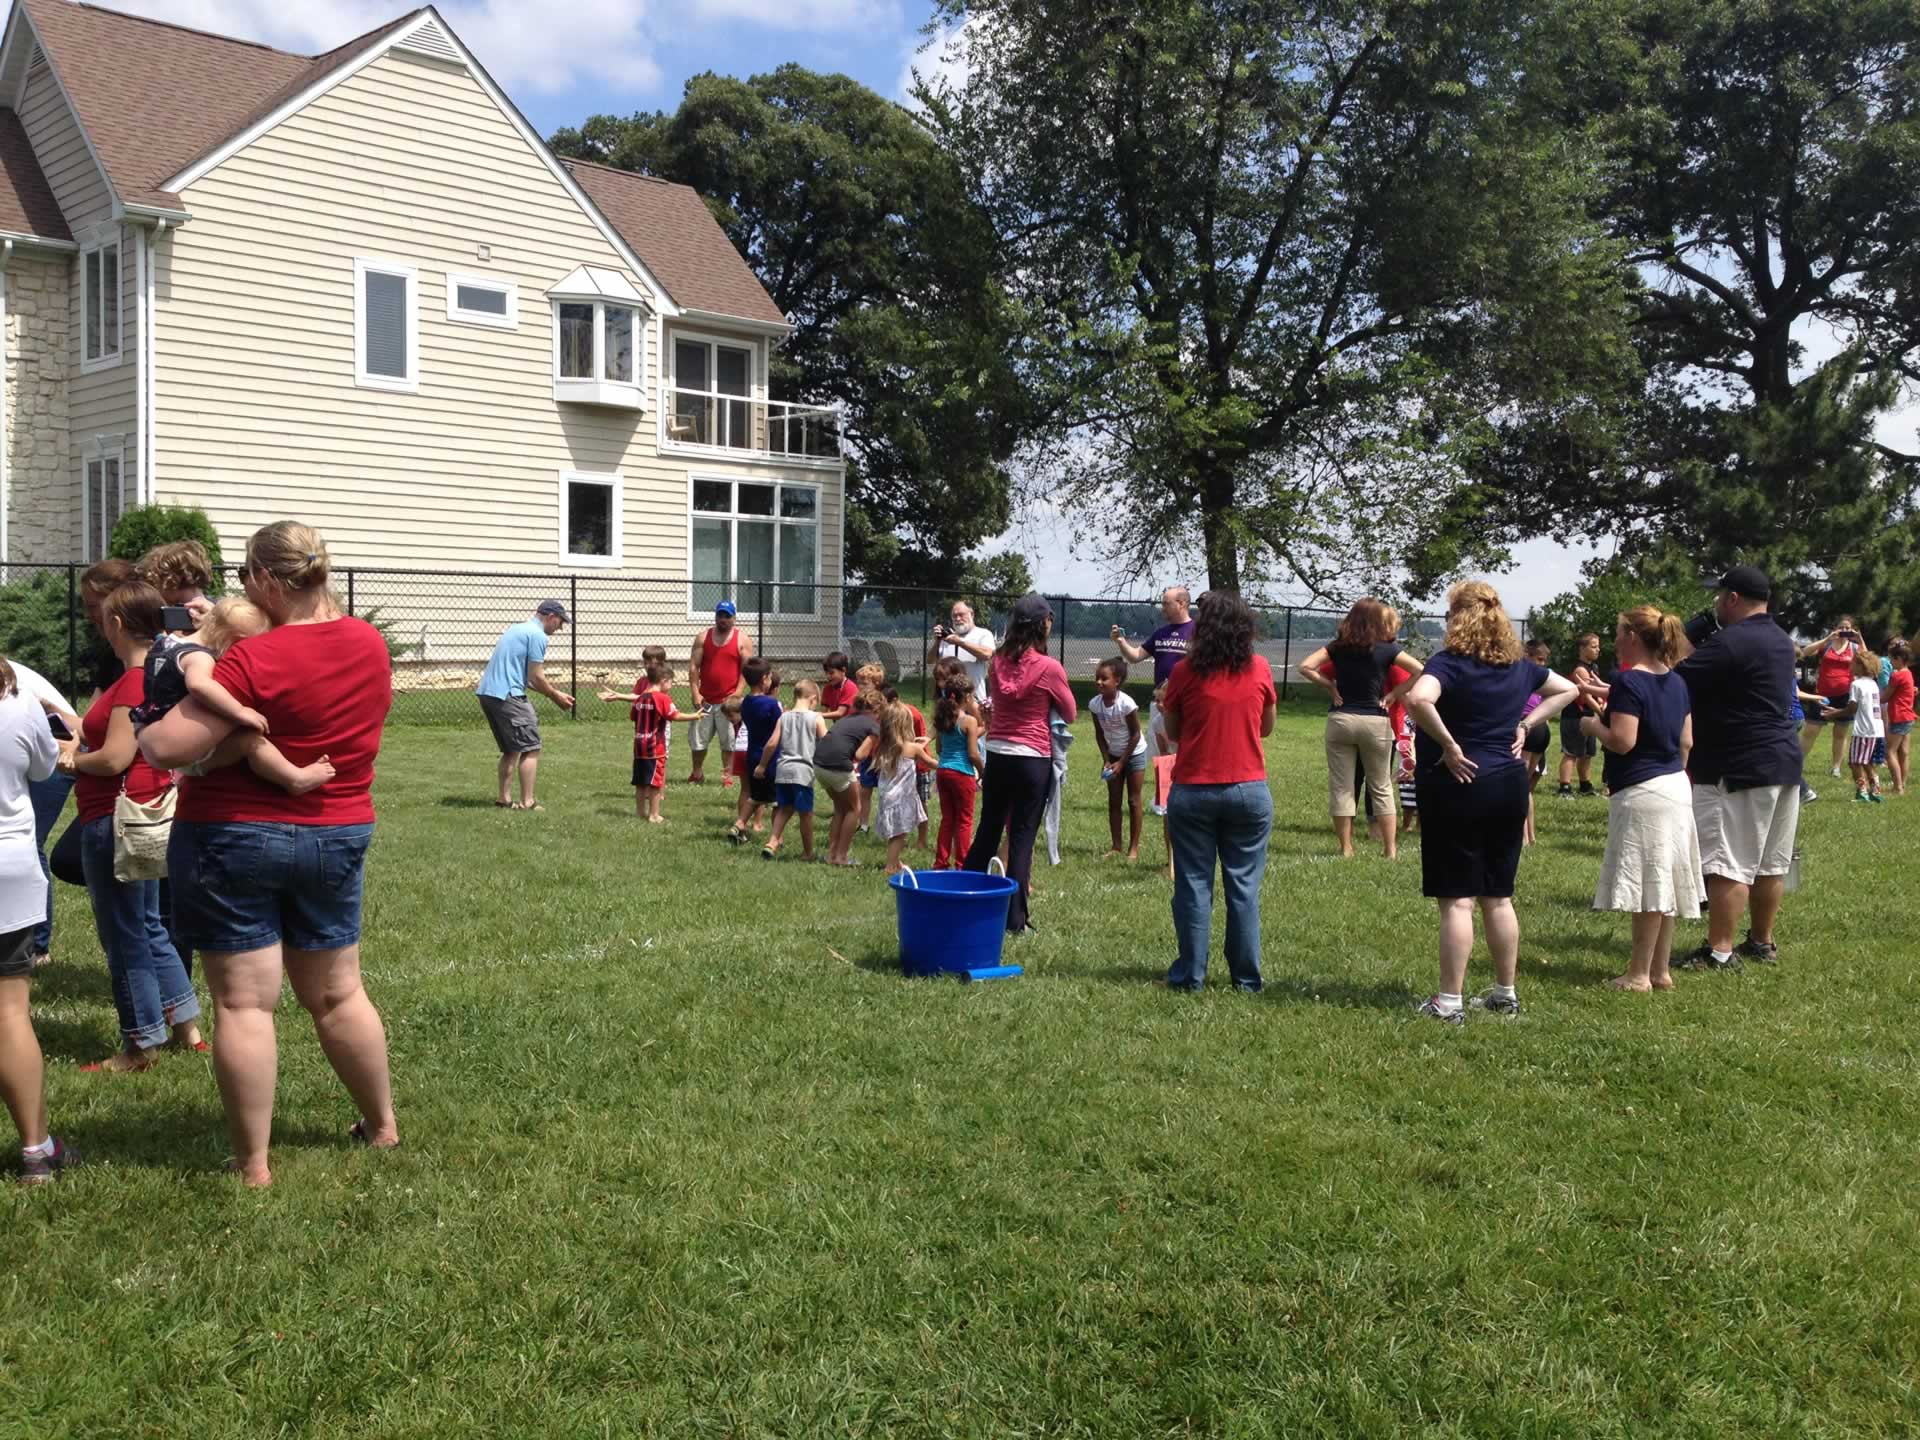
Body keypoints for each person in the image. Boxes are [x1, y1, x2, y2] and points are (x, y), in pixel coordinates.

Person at [140, 521, 398, 1187]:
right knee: (339, 993)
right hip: (337, 829)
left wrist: (197, 652)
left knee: (244, 1005)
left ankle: (253, 1165)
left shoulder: (251, 661)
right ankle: (382, 1126)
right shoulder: (370, 646)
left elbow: (164, 747)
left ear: (260, 578)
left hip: (234, 835)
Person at [1402, 581, 1579, 1023]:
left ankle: (1449, 1002)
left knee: (1458, 898)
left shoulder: (1450, 664)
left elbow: (1418, 699)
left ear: (1458, 619)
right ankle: (1505, 993)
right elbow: (1569, 690)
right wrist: (1527, 722)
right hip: (1507, 783)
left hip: (1459, 783)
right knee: (1498, 895)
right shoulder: (1519, 666)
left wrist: (1446, 744)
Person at [57, 580, 206, 1070]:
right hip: (145, 813)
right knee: (148, 925)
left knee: (124, 935)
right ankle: (187, 1027)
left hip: (115, 820)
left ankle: (141, 1045)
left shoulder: (132, 680)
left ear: (117, 624)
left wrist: (69, 758)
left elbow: (116, 757)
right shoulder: (160, 675)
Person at [1672, 565, 1805, 971]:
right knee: (1771, 863)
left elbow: (1677, 677)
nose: (1715, 604)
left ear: (1732, 598)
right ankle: (1762, 942)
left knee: (1730, 862)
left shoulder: (1732, 642)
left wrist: (1680, 636)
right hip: (1783, 761)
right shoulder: (1781, 640)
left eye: (1719, 597)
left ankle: (1719, 951)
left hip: (1739, 764)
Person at [1159, 590, 1276, 992]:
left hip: (1193, 789)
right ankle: (1246, 979)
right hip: (1248, 789)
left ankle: (1190, 975)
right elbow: (1266, 726)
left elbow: (1173, 733)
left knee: (1193, 884)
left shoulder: (1184, 671)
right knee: (1243, 888)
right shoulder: (1259, 668)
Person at [1585, 606, 1700, 992]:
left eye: (1618, 633)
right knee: (1664, 883)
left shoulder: (1627, 682)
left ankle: (1637, 975)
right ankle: (1660, 970)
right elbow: (1687, 742)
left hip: (1643, 791)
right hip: (1676, 786)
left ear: (1633, 637)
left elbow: (1622, 741)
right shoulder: (1678, 682)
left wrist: (1592, 726)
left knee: (1648, 887)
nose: (1614, 640)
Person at [132, 599, 337, 795]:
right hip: (184, 746)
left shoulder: (167, 642)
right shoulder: (199, 657)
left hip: (149, 720)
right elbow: (199, 685)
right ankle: (295, 778)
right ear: (233, 640)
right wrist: (240, 711)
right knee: (250, 742)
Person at [963, 595, 1077, 934]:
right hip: (1032, 759)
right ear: (1042, 624)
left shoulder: (997, 661)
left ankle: (961, 896)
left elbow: (998, 699)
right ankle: (1015, 921)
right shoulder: (1049, 667)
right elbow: (1070, 712)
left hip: (997, 753)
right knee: (1022, 838)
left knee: (987, 831)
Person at [0, 658, 73, 1182]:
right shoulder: (18, 699)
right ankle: (36, 1150)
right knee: (9, 1014)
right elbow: (47, 768)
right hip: (9, 871)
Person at [1296, 599, 1425, 860]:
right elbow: (1419, 669)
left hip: (1341, 720)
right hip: (1376, 720)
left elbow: (1305, 667)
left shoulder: (1337, 647)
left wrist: (1330, 687)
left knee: (1343, 787)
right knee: (1381, 786)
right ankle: (1389, 849)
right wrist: (1394, 695)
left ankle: (1346, 848)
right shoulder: (1387, 649)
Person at [5, 658, 81, 970]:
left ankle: (37, 947)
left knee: (30, 841)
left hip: (62, 746)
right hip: (33, 747)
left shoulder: (15, 681)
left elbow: (50, 751)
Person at [475, 600, 574, 810]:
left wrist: (554, 693)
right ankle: (528, 802)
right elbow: (536, 677)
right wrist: (555, 697)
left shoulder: (516, 629)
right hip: (508, 695)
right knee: (531, 747)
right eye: (560, 622)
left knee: (511, 749)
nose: (560, 628)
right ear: (550, 617)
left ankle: (504, 799)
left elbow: (527, 679)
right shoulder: (537, 636)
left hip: (488, 693)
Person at [597, 664, 697, 823]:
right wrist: (695, 716)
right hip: (655, 747)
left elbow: (634, 716)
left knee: (640, 782)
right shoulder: (663, 698)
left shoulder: (640, 698)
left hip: (639, 745)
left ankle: (640, 812)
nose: (670, 687)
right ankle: (654, 814)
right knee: (656, 782)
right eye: (671, 682)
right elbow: (674, 715)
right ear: (664, 680)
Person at [1112, 587, 1195, 739]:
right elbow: (1135, 656)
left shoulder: (1198, 632)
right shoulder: (1160, 633)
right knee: (1159, 756)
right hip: (1160, 704)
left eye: (1166, 604)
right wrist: (1121, 641)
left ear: (1182, 603)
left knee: (1181, 751)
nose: (1162, 608)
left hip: (1185, 704)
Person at [685, 601, 753, 784]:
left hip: (729, 701)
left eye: (727, 616)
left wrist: (737, 694)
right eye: (720, 615)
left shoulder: (742, 640)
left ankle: (727, 776)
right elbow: (693, 667)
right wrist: (695, 692)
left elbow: (746, 670)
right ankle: (697, 773)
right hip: (705, 700)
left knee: (729, 742)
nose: (723, 619)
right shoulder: (702, 637)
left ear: (734, 618)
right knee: (698, 741)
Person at [1089, 657, 1147, 861]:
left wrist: (1122, 762)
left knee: (1133, 800)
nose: (1099, 682)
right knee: (1114, 800)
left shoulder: (1126, 704)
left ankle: (1133, 848)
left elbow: (1135, 735)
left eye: (1104, 678)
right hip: (1113, 754)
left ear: (1117, 681)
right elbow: (1099, 734)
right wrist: (1107, 760)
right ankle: (1116, 846)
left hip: (1134, 754)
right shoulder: (1095, 705)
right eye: (1097, 678)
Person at [761, 680, 826, 860]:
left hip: (783, 770)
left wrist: (762, 765)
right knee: (805, 814)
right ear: (813, 699)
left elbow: (772, 743)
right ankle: (807, 852)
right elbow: (827, 743)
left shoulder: (784, 717)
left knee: (784, 808)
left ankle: (772, 842)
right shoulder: (816, 718)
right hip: (803, 772)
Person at [816, 692, 881, 867]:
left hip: (819, 765)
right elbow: (860, 755)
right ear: (877, 710)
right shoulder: (874, 726)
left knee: (840, 809)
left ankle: (831, 855)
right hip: (839, 766)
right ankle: (842, 857)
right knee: (854, 809)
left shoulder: (846, 718)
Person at [871, 703, 932, 875]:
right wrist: (948, 765)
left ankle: (895, 861)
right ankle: (890, 866)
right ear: (906, 725)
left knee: (895, 833)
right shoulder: (912, 748)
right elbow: (931, 763)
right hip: (902, 799)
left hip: (888, 798)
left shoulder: (883, 748)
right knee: (901, 835)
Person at [1800, 617, 1862, 780]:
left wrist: (1860, 639)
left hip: (1845, 695)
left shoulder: (1855, 647)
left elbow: (1869, 660)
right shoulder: (1827, 645)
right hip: (1822, 695)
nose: (1843, 630)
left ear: (1852, 630)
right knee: (1810, 731)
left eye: (1847, 628)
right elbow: (1804, 652)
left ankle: (1836, 768)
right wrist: (1828, 638)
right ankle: (1796, 763)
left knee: (1840, 733)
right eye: (1841, 627)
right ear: (1835, 628)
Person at [933, 675, 983, 869]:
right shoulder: (969, 720)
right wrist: (982, 771)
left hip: (943, 770)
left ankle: (940, 863)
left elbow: (938, 748)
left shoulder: (942, 718)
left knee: (948, 820)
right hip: (962, 774)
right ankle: (962, 864)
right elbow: (973, 754)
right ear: (967, 697)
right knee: (964, 821)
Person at [1824, 648, 1885, 802]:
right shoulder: (1873, 683)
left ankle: (1862, 793)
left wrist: (1833, 714)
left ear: (1860, 665)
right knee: (1867, 762)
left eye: (1853, 662)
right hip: (1876, 729)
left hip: (1863, 730)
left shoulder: (1856, 684)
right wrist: (1838, 710)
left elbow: (1852, 709)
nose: (1850, 664)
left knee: (1854, 762)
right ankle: (1876, 792)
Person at [731, 661, 782, 844]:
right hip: (769, 759)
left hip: (751, 755)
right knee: (778, 801)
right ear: (764, 680)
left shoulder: (745, 702)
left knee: (755, 796)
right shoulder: (772, 704)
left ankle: (739, 823)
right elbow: (779, 729)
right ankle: (777, 838)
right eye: (769, 677)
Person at [1555, 633, 1604, 797]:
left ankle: (1585, 785)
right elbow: (1586, 697)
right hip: (1574, 716)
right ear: (1582, 649)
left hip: (1588, 716)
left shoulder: (1594, 668)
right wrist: (1601, 713)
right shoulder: (1581, 670)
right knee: (1572, 753)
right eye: (1593, 646)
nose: (1598, 650)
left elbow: (1597, 692)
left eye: (1598, 646)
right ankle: (1565, 787)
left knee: (1587, 753)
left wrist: (1603, 703)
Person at [137, 539, 217, 630]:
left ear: (170, 579)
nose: (153, 587)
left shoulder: (218, 614)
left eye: (155, 581)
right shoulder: (219, 611)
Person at [930, 602, 997, 709]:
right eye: (954, 616)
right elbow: (930, 660)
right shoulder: (948, 637)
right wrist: (937, 642)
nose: (958, 618)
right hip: (949, 701)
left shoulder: (983, 634)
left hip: (974, 699)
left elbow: (987, 654)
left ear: (972, 614)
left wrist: (960, 642)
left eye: (961, 615)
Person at [1884, 640, 1913, 796]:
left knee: (1890, 752)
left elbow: (1886, 696)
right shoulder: (1908, 673)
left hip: (1899, 716)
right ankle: (1903, 784)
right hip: (1908, 716)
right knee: (1904, 752)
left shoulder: (1897, 675)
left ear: (1899, 659)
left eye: (1892, 659)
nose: (1890, 662)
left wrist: (1870, 697)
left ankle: (1898, 788)